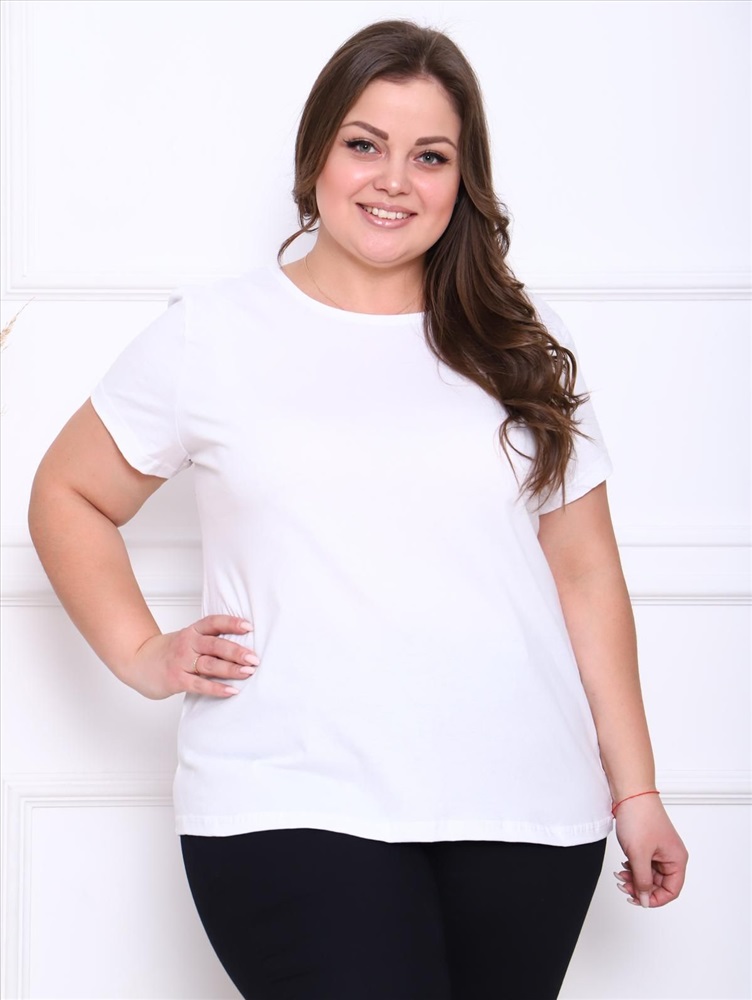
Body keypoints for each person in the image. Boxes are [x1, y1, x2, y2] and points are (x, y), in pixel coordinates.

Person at [28, 19, 688, 1000]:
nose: (394, 181)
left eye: (430, 156)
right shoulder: (213, 334)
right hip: (287, 800)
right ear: (316, 157)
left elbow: (586, 575)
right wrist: (139, 651)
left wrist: (635, 790)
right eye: (365, 144)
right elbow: (69, 491)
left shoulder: (517, 343)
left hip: (524, 810)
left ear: (462, 181)